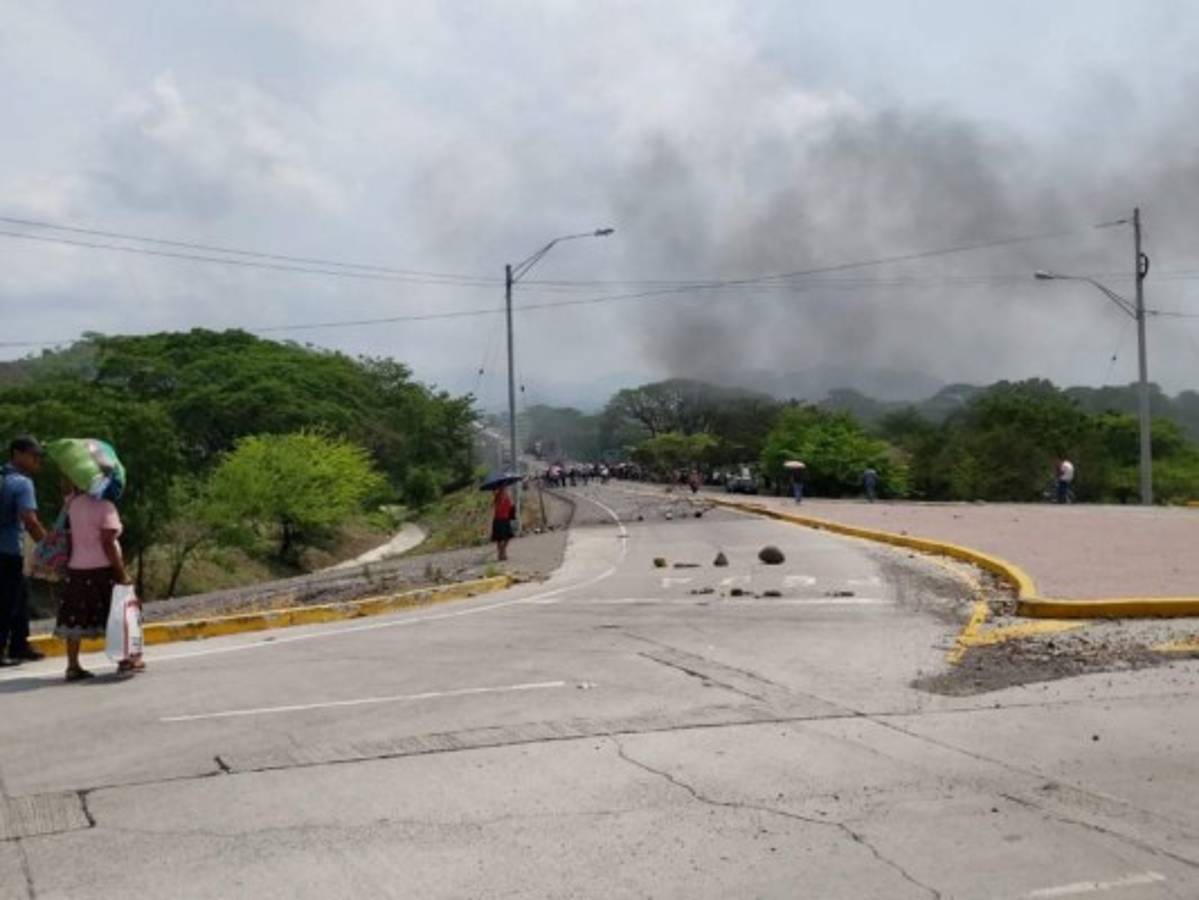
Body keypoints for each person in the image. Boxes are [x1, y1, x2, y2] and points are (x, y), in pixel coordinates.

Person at [55, 484, 140, 680]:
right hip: (103, 570)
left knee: (74, 617)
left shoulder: (72, 504)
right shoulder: (105, 506)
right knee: (115, 616)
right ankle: (124, 660)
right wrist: (122, 574)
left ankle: (73, 665)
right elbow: (108, 542)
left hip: (77, 568)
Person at [0, 436, 48, 666]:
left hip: (6, 550)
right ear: (17, 454)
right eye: (33, 455)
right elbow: (30, 520)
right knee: (7, 602)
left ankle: (20, 645)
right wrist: (49, 548)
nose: (37, 460)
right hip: (8, 550)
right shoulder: (22, 483)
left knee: (20, 596)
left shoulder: (3, 477)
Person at [491, 485, 515, 561]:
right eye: (504, 489)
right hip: (500, 520)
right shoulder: (497, 499)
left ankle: (502, 552)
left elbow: (511, 508)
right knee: (500, 539)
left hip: (504, 520)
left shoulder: (507, 498)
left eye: (506, 489)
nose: (506, 490)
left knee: (506, 538)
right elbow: (494, 508)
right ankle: (502, 554)